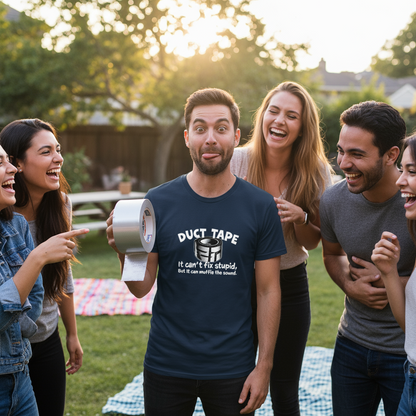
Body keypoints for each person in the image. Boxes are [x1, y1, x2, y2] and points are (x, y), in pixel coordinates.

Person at [106, 88, 286, 416]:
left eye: (221, 128)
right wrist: (124, 251)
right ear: (188, 137)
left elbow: (268, 290)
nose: (211, 139)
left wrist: (264, 367)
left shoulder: (260, 207)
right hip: (167, 362)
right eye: (200, 129)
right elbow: (141, 287)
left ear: (236, 135)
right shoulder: (157, 202)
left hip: (234, 365)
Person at [230, 81, 333, 415]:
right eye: (273, 111)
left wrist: (301, 217)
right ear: (262, 116)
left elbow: (314, 242)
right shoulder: (236, 163)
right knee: (235, 383)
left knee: (284, 388)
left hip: (289, 285)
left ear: (303, 128)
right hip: (236, 284)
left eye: (291, 115)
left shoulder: (315, 171)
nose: (279, 120)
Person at [319, 101, 416, 416]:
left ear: (391, 155)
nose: (344, 163)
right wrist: (350, 286)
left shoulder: (412, 204)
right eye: (341, 151)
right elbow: (332, 254)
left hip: (405, 354)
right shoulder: (332, 201)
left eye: (357, 154)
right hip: (351, 344)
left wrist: (388, 278)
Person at [0, 119, 84, 416]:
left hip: (46, 338)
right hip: (8, 344)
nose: (58, 158)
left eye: (57, 150)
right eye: (46, 151)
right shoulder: (4, 216)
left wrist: (71, 333)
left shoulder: (61, 203)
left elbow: (64, 274)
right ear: (17, 163)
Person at [372, 133, 416, 416]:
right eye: (403, 169)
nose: (400, 180)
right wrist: (389, 273)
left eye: (411, 171)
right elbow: (410, 326)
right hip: (410, 380)